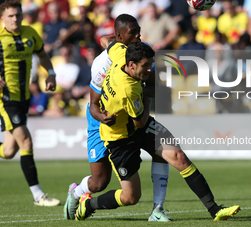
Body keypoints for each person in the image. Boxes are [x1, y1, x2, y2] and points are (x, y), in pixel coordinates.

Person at [73, 41, 240, 221]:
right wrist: (147, 101)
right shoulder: (128, 90)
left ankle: (214, 209)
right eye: (145, 66)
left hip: (134, 125)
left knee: (179, 157)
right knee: (130, 197)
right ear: (131, 65)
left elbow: (110, 42)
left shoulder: (121, 53)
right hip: (120, 137)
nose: (149, 69)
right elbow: (141, 121)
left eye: (151, 64)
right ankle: (88, 204)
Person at [64, 14, 172, 222]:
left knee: (162, 151)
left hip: (130, 120)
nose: (139, 35)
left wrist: (138, 92)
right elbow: (93, 104)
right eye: (134, 33)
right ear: (120, 37)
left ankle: (158, 208)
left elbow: (155, 87)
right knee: (99, 182)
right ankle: (77, 193)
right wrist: (101, 117)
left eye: (139, 30)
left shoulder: (143, 52)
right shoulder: (101, 65)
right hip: (101, 121)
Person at [0, 0, 60, 206]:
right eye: (10, 16)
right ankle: (38, 195)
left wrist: (51, 74)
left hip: (24, 98)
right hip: (5, 98)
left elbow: (43, 55)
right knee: (25, 141)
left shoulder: (30, 34)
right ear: (2, 18)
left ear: (22, 15)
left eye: (17, 14)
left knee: (8, 151)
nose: (15, 19)